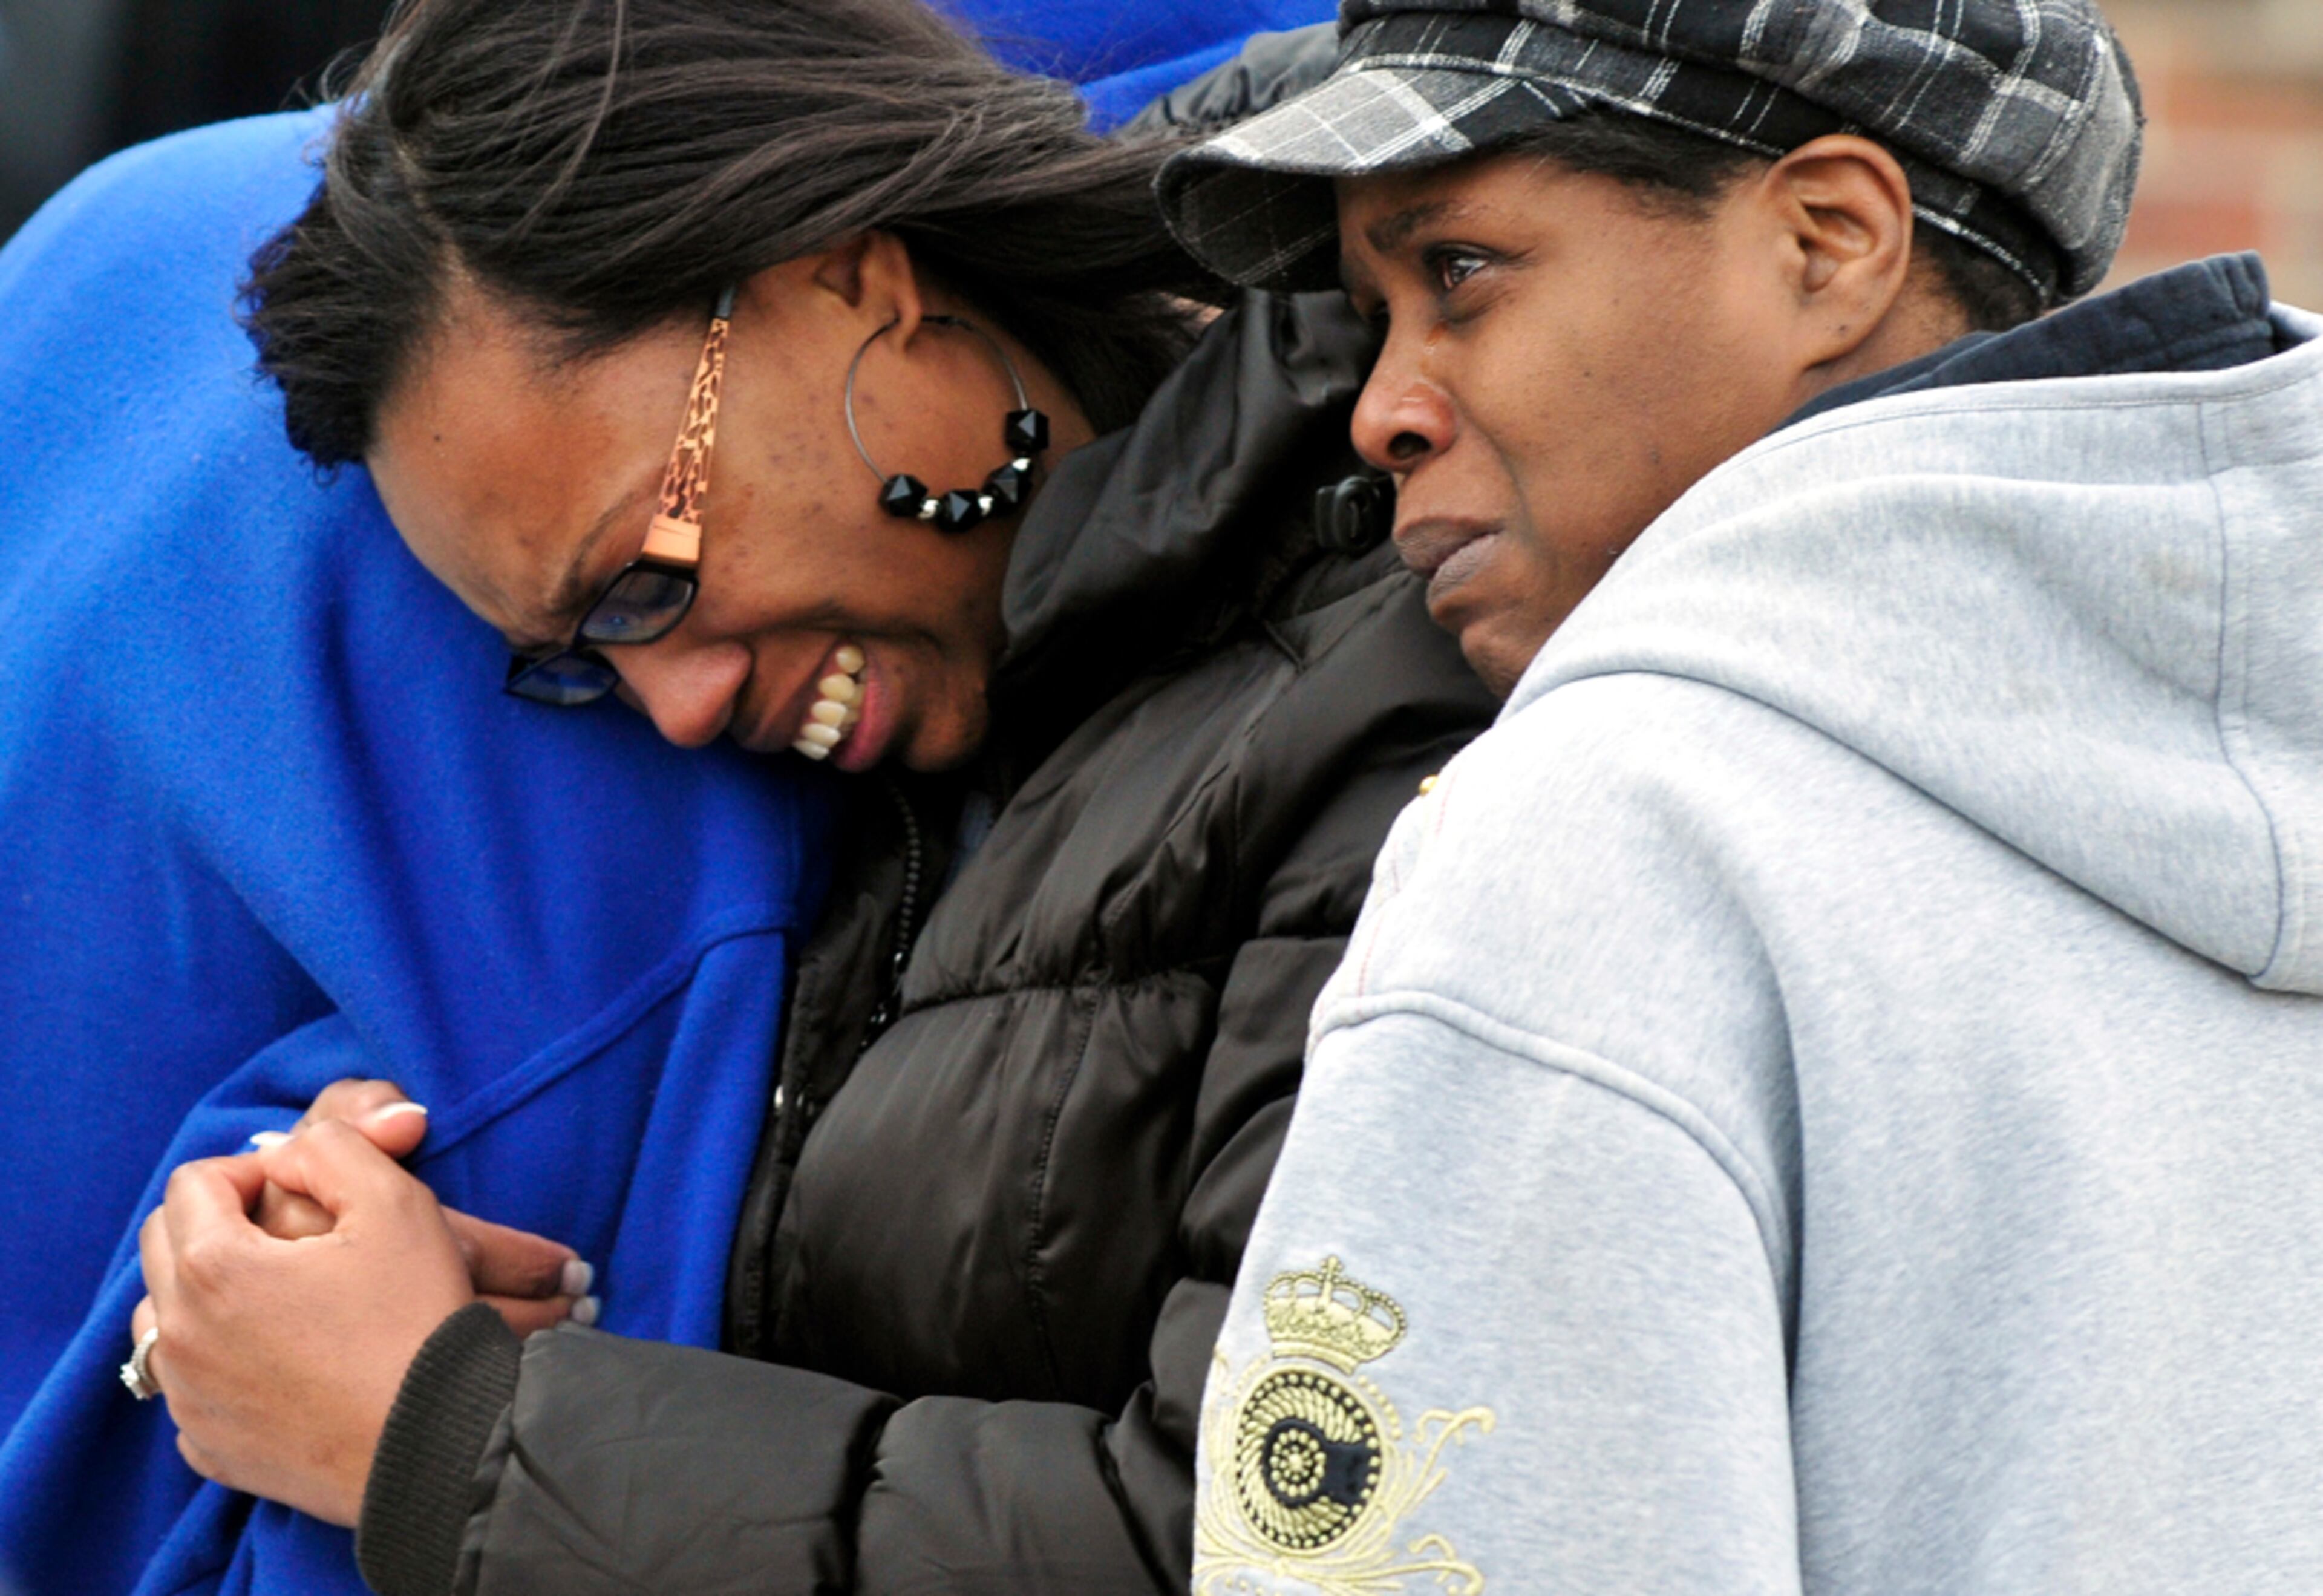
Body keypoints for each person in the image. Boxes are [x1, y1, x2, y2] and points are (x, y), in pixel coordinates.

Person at [120, 3, 1494, 1595]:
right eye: (585, 664)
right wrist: (369, 1238)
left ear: (851, 282)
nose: (678, 709)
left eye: (645, 581)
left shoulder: (1430, 640)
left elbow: (1292, 1539)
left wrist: (440, 1437)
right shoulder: (959, 726)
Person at [1154, 0, 2323, 1591]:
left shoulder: (1601, 847)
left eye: (1460, 272)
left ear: (1828, 244)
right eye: (1377, 316)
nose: (1383, 409)